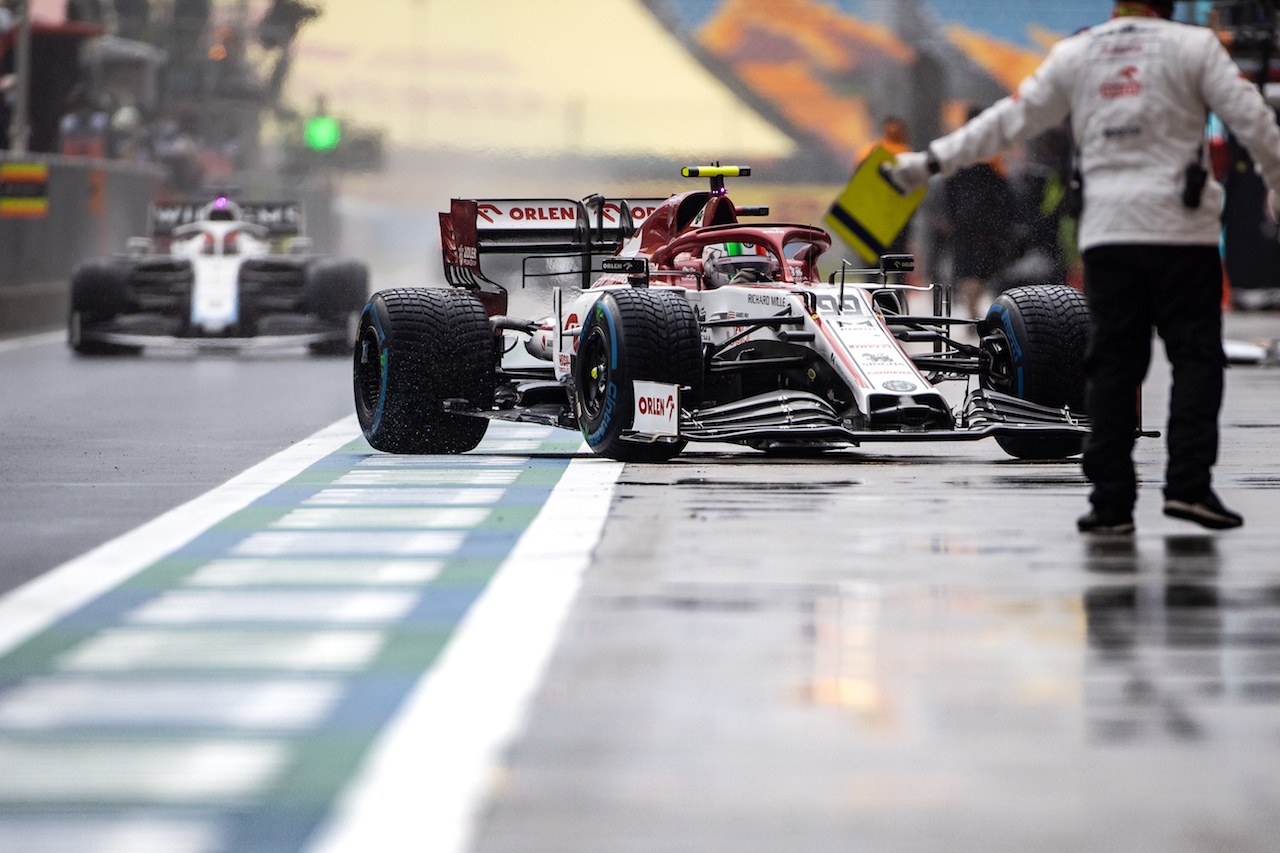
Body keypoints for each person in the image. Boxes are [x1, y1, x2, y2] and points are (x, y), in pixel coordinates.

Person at [886, 0, 1280, 533]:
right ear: (1167, 7)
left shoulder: (1081, 51)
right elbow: (1253, 120)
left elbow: (1007, 121)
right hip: (1181, 234)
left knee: (1113, 364)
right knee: (1196, 360)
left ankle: (1111, 502)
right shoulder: (1195, 47)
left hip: (1110, 234)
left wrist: (928, 163)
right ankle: (1188, 488)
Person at [937, 104, 1016, 318]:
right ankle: (974, 307)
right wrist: (1003, 221)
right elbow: (1003, 190)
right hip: (985, 221)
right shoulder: (991, 150)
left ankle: (971, 309)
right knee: (980, 267)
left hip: (963, 220)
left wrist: (949, 215)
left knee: (965, 265)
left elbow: (949, 187)